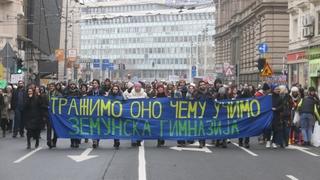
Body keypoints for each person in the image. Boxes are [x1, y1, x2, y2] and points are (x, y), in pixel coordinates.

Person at [128, 82, 148, 147]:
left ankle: (139, 140)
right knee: (133, 126)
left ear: (141, 87)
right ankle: (133, 140)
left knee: (140, 126)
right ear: (134, 87)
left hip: (141, 112)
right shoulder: (131, 94)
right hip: (133, 112)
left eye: (139, 87)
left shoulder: (144, 94)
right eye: (136, 87)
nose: (137, 88)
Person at [88, 79, 105, 148]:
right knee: (92, 126)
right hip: (91, 112)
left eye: (95, 83)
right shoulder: (89, 92)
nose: (94, 84)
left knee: (99, 126)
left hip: (100, 112)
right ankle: (94, 140)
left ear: (98, 84)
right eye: (93, 83)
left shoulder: (101, 92)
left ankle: (97, 139)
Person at [64, 81, 81, 148]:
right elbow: (64, 98)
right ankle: (72, 142)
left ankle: (77, 142)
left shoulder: (78, 91)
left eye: (73, 84)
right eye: (71, 84)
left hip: (77, 112)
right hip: (70, 112)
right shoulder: (66, 91)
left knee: (77, 127)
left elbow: (81, 98)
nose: (72, 85)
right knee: (71, 127)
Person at [107, 84, 124, 149]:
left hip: (118, 115)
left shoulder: (120, 97)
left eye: (116, 89)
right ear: (112, 90)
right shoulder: (109, 97)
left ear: (118, 90)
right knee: (113, 128)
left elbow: (124, 104)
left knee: (117, 128)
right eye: (114, 89)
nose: (115, 90)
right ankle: (115, 140)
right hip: (111, 115)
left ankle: (117, 140)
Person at [47, 82, 62, 148]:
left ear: (55, 87)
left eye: (52, 86)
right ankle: (49, 141)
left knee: (55, 128)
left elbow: (61, 102)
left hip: (56, 114)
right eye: (50, 86)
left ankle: (54, 141)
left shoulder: (58, 94)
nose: (51, 88)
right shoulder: (47, 94)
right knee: (49, 128)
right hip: (49, 113)